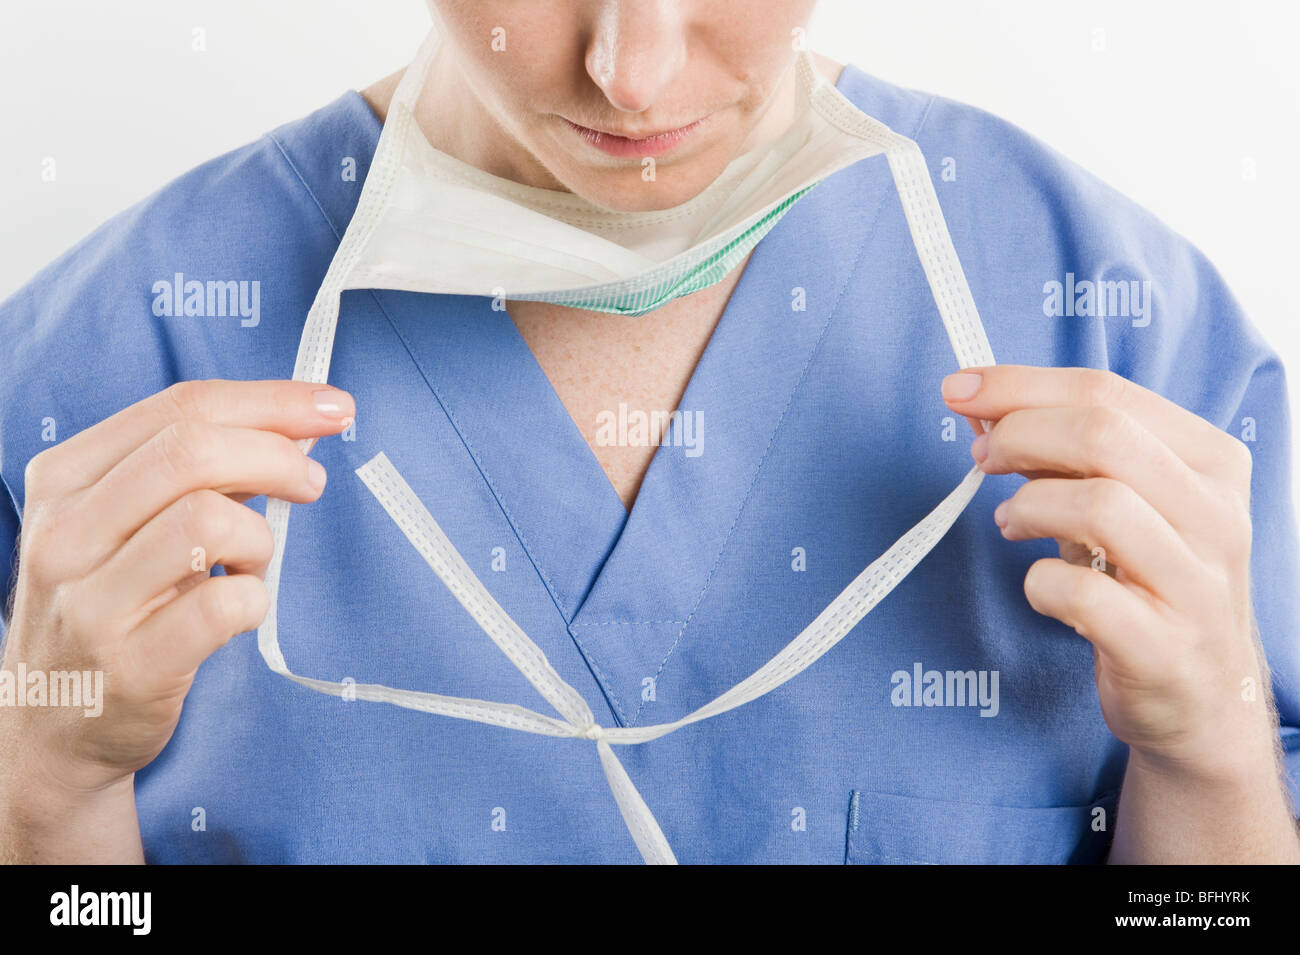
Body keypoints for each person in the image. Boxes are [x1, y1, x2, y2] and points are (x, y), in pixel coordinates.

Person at [0, 0, 1297, 864]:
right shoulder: (90, 378)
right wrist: (50, 793)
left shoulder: (1127, 334)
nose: (632, 70)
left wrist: (1213, 768)